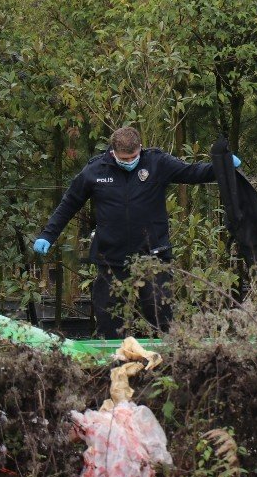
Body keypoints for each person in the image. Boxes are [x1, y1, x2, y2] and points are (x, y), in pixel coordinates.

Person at [33, 127, 241, 338]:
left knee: (162, 317)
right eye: (125, 158)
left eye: (134, 156)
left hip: (153, 257)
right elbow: (69, 203)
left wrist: (221, 166)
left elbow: (192, 172)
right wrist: (48, 235)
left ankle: (168, 363)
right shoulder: (95, 171)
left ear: (140, 148)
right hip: (111, 258)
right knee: (108, 320)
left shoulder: (157, 163)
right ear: (113, 152)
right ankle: (112, 366)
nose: (130, 161)